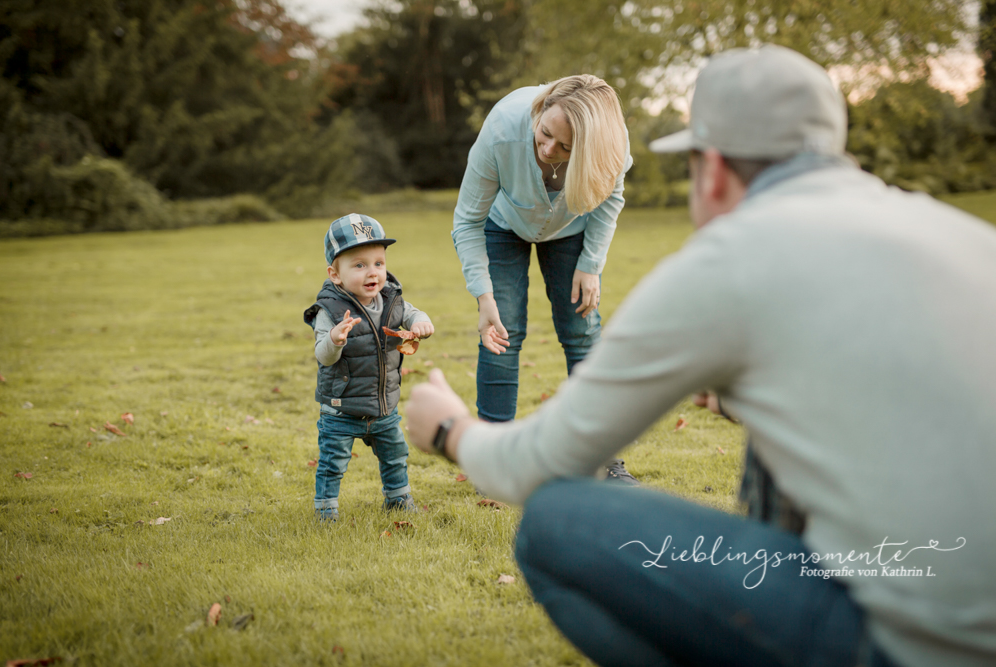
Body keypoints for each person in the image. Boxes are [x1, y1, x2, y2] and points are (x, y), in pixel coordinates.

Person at [406, 45, 996, 667]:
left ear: (711, 169)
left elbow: (541, 464)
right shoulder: (965, 236)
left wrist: (450, 430)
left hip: (903, 647)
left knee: (556, 520)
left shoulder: (729, 261)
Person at [451, 73, 638, 483]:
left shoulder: (612, 145)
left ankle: (604, 458)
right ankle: (492, 459)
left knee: (582, 330)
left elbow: (611, 199)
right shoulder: (502, 129)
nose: (548, 148)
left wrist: (591, 264)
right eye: (545, 133)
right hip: (503, 225)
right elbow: (467, 222)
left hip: (571, 230)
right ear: (539, 112)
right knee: (504, 331)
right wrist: (484, 298)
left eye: (565, 147)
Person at [302, 214, 434, 522]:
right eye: (359, 265)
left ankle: (398, 498)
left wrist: (421, 323)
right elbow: (324, 357)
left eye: (378, 263)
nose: (372, 272)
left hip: (383, 405)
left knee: (395, 455)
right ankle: (325, 509)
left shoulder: (391, 298)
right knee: (333, 461)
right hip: (341, 407)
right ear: (335, 274)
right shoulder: (330, 311)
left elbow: (412, 313)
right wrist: (335, 339)